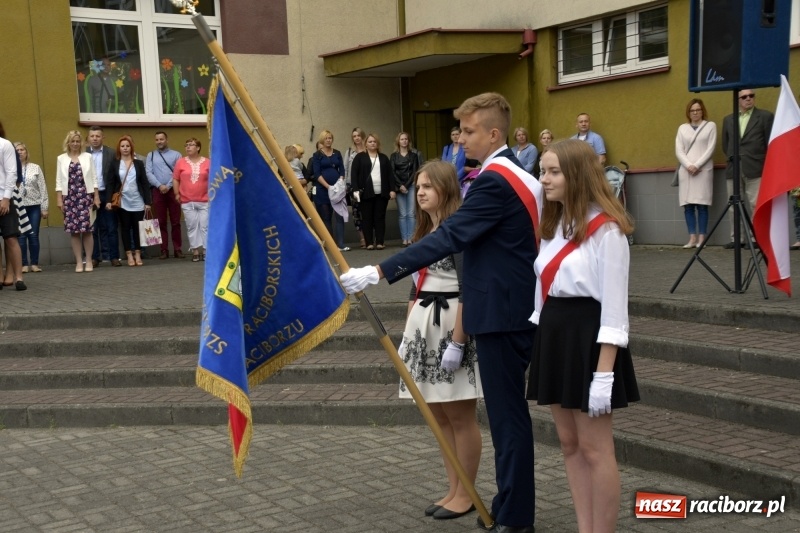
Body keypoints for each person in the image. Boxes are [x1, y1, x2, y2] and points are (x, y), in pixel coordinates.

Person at [340, 92, 542, 533]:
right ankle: (508, 503)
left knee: (508, 423)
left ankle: (516, 517)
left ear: (493, 133)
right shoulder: (515, 175)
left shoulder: (495, 180)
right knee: (508, 420)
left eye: (469, 132)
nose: (461, 139)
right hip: (508, 309)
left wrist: (379, 269)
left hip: (498, 314)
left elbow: (451, 237)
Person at [527, 139, 639, 533]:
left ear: (576, 175)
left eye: (553, 171)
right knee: (570, 444)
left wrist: (604, 375)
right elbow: (544, 287)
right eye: (543, 171)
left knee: (595, 449)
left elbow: (614, 309)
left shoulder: (607, 231)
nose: (545, 179)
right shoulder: (553, 224)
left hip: (589, 340)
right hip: (556, 335)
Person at [398, 160, 483, 521]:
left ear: (446, 190)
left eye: (429, 186)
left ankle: (467, 493)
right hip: (423, 328)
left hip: (451, 326)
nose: (420, 192)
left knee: (460, 415)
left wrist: (459, 342)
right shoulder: (424, 230)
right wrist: (407, 337)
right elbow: (414, 287)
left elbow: (469, 289)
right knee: (438, 416)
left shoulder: (458, 231)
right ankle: (453, 488)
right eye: (419, 186)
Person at [722, 89, 774, 248]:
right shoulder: (729, 119)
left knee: (755, 204)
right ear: (738, 100)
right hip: (734, 167)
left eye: (751, 96)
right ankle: (737, 239)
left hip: (755, 166)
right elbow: (726, 144)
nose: (748, 99)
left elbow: (769, 142)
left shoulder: (765, 117)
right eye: (744, 97)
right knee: (734, 206)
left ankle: (756, 238)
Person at [56, 130, 100, 273]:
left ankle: (88, 260)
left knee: (87, 230)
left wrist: (96, 197)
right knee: (74, 231)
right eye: (72, 141)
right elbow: (58, 180)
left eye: (77, 141)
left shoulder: (88, 157)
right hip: (69, 197)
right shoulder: (61, 158)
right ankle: (79, 262)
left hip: (85, 196)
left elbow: (94, 178)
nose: (75, 144)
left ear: (81, 142)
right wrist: (59, 199)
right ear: (68, 142)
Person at [676, 99, 717, 249]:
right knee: (688, 206)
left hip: (703, 170)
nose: (695, 113)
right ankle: (692, 238)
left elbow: (710, 148)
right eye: (692, 110)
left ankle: (702, 238)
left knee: (702, 205)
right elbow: (679, 150)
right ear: (688, 112)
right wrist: (688, 165)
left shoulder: (710, 126)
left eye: (698, 110)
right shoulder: (682, 129)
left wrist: (698, 164)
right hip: (686, 172)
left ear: (702, 111)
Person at [105, 135, 151, 267]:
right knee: (125, 228)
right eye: (122, 146)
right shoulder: (114, 163)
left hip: (138, 200)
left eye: (127, 146)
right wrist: (108, 200)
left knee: (137, 228)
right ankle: (129, 255)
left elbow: (144, 183)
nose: (125, 148)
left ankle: (138, 254)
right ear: (119, 148)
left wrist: (147, 202)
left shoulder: (138, 163)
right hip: (123, 201)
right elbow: (110, 183)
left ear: (131, 147)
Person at [352, 133, 395, 250]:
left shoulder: (383, 158)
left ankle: (380, 242)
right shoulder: (360, 157)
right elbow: (354, 174)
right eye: (370, 141)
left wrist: (392, 189)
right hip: (366, 193)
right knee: (367, 218)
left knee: (380, 217)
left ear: (378, 144)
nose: (372, 143)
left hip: (382, 193)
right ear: (366, 144)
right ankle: (369, 242)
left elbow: (390, 175)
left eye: (374, 142)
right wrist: (355, 190)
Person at [145, 131, 183, 260]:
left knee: (176, 221)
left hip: (173, 190)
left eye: (161, 139)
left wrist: (168, 185)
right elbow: (148, 173)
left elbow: (178, 173)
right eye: (157, 139)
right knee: (160, 221)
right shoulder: (151, 155)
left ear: (167, 140)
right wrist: (159, 185)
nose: (159, 142)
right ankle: (163, 250)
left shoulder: (177, 155)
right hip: (158, 191)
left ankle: (178, 249)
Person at [87, 125, 120, 267]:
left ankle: (114, 257)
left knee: (111, 227)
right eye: (92, 136)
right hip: (89, 194)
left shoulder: (111, 153)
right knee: (92, 227)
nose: (95, 139)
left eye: (97, 136)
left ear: (102, 137)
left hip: (107, 192)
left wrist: (112, 195)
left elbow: (116, 176)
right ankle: (95, 257)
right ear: (88, 138)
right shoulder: (83, 154)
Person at [173, 137, 209, 262]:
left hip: (205, 200)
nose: (188, 147)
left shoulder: (207, 162)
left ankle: (206, 250)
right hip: (187, 200)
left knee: (205, 226)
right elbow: (176, 178)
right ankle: (195, 250)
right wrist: (177, 193)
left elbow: (213, 180)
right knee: (192, 226)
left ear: (198, 147)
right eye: (186, 145)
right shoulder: (181, 162)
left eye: (191, 145)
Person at [311, 130, 348, 251]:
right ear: (322, 139)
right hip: (323, 189)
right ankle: (331, 244)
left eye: (330, 138)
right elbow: (317, 173)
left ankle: (341, 244)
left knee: (339, 216)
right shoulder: (317, 155)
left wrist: (339, 182)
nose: (328, 140)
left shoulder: (337, 153)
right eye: (326, 138)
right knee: (326, 217)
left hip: (337, 189)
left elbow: (342, 169)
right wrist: (328, 187)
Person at [14, 142, 48, 273]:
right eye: (17, 150)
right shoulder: (11, 168)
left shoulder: (35, 167)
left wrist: (44, 207)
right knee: (21, 236)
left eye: (22, 150)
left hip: (34, 206)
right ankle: (23, 264)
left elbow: (43, 188)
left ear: (26, 152)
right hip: (19, 206)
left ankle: (34, 263)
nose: (20, 152)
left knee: (33, 235)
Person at [390, 132, 424, 246]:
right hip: (399, 188)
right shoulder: (394, 156)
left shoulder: (413, 156)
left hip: (411, 186)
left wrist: (407, 185)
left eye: (406, 139)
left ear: (408, 141)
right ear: (398, 141)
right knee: (402, 214)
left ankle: (411, 238)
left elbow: (415, 171)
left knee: (411, 213)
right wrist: (400, 186)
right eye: (402, 139)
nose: (404, 141)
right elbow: (392, 172)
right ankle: (404, 238)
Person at [344, 128, 367, 248]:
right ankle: (362, 238)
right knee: (357, 212)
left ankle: (370, 236)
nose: (357, 138)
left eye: (358, 135)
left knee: (368, 211)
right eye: (354, 136)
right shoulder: (349, 151)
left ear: (363, 136)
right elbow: (345, 169)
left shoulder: (369, 150)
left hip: (367, 186)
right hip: (354, 187)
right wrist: (346, 186)